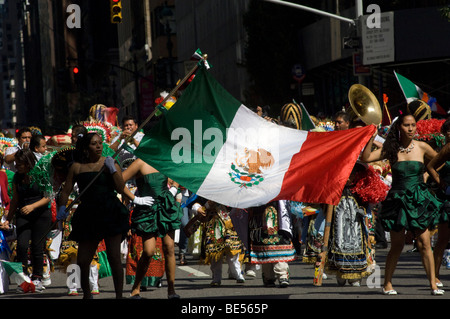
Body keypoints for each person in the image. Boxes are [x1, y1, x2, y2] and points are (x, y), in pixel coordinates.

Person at [361, 111, 444, 295]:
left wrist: (426, 173)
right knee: (397, 244)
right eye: (407, 125)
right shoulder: (391, 148)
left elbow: (440, 160)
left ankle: (433, 284)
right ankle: (387, 284)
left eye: (413, 125)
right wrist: (370, 137)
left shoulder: (422, 147)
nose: (411, 128)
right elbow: (365, 158)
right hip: (397, 200)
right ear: (399, 127)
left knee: (424, 242)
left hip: (418, 199)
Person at [57, 133, 129, 299]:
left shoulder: (109, 162)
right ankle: (87, 295)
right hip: (88, 213)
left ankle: (119, 295)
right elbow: (66, 190)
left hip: (110, 211)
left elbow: (120, 187)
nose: (98, 146)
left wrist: (113, 170)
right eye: (94, 144)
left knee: (114, 257)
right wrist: (62, 206)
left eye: (100, 143)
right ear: (85, 148)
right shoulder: (76, 167)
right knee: (83, 260)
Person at [121, 158, 183, 299]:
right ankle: (136, 287)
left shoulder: (164, 160)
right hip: (147, 210)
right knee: (148, 251)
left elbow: (179, 171)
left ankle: (171, 291)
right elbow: (118, 180)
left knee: (169, 248)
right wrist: (134, 198)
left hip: (165, 207)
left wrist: (174, 188)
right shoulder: (139, 163)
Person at [2, 148, 51, 292]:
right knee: (22, 246)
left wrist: (32, 206)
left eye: (20, 164)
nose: (17, 166)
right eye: (16, 163)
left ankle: (37, 278)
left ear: (28, 163)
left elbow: (48, 196)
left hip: (41, 214)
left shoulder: (41, 174)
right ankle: (23, 279)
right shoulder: (17, 177)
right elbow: (15, 199)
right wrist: (8, 219)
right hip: (23, 214)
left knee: (37, 247)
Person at [426, 117, 450, 288]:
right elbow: (431, 166)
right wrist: (442, 183)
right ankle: (435, 276)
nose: (449, 133)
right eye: (447, 130)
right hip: (447, 199)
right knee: (442, 239)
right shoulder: (447, 148)